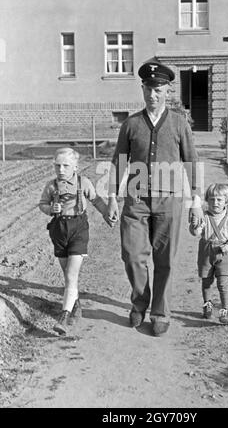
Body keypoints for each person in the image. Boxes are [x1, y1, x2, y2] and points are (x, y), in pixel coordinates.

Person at [105, 58, 202, 336]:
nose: (153, 94)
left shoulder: (180, 124)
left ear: (168, 90)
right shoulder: (131, 124)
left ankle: (160, 312)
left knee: (165, 260)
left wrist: (196, 201)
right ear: (142, 88)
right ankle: (139, 303)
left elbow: (191, 163)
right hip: (136, 201)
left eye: (158, 89)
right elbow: (118, 162)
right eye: (148, 88)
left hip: (169, 201)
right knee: (132, 255)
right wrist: (112, 195)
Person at [39, 147, 105, 335]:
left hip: (78, 229)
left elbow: (96, 200)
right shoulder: (51, 186)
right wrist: (51, 208)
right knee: (67, 275)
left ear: (75, 166)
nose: (61, 169)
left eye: (65, 166)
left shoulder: (83, 183)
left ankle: (64, 316)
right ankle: (75, 303)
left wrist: (109, 214)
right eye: (57, 165)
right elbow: (42, 204)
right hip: (59, 230)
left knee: (70, 275)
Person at [189, 183, 228, 325]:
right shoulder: (204, 216)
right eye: (212, 199)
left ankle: (225, 310)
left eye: (219, 200)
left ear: (226, 201)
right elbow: (195, 233)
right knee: (206, 281)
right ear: (207, 200)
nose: (215, 203)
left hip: (223, 253)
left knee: (223, 283)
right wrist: (195, 225)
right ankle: (207, 304)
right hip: (206, 252)